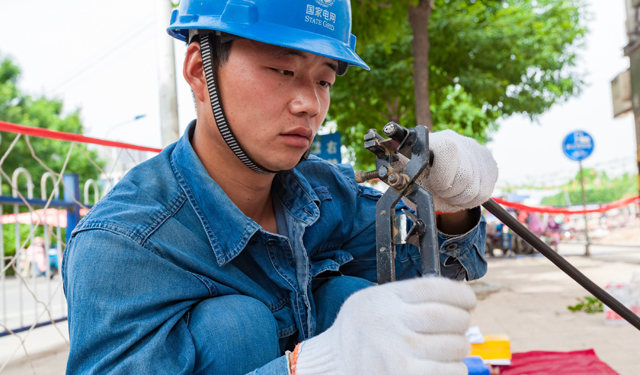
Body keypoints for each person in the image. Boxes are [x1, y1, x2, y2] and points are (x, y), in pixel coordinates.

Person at [62, 1, 498, 374]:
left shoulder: (326, 194)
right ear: (199, 70)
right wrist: (305, 367)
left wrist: (448, 202)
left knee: (351, 298)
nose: (309, 103)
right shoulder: (124, 245)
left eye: (324, 80)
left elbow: (436, 276)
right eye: (282, 69)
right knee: (235, 327)